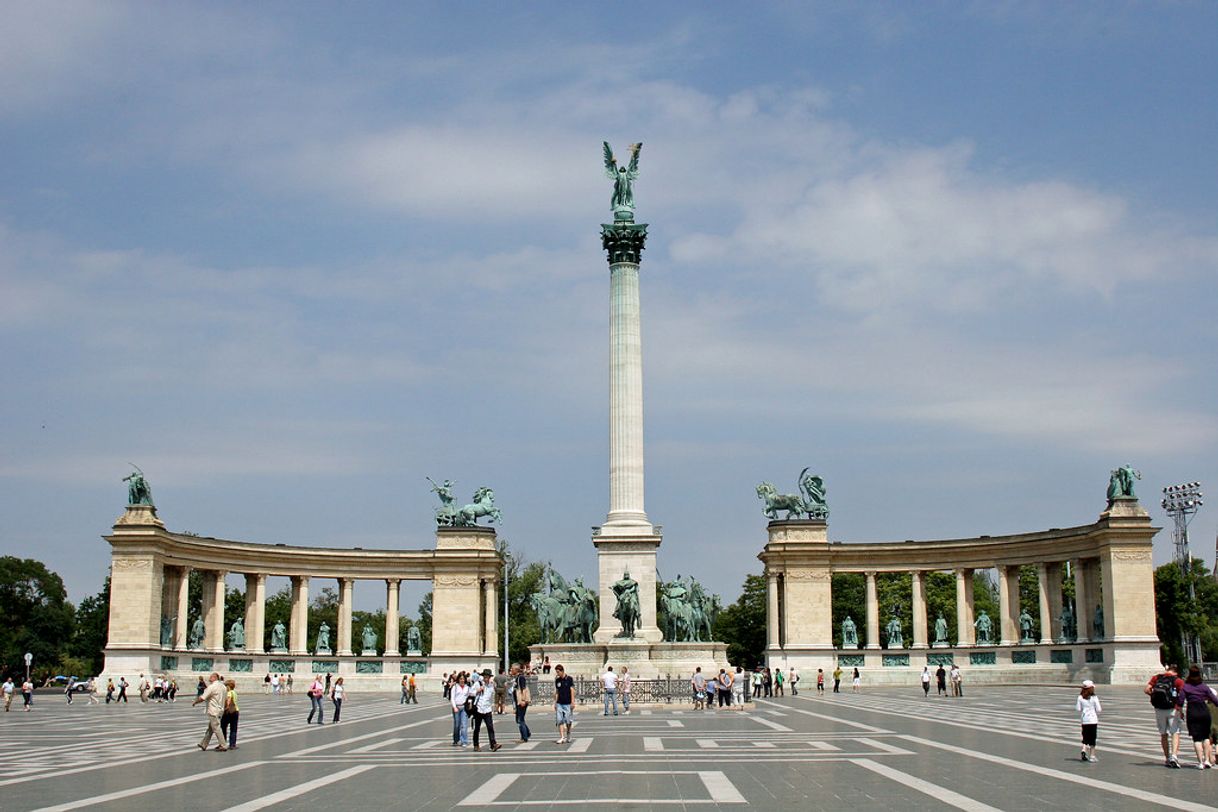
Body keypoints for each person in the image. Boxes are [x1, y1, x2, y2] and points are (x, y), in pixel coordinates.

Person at [1146, 663, 1185, 768]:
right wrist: (1180, 708)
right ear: (1177, 672)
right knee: (1175, 733)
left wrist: (1153, 695)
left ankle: (1167, 758)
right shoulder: (1178, 680)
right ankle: (1174, 756)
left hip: (1159, 709)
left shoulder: (1157, 677)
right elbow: (1182, 695)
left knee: (1163, 734)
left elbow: (1146, 689)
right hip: (1172, 709)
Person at [1181, 665, 1218, 769]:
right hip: (1204, 712)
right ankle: (1207, 760)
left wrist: (1180, 711)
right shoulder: (1204, 686)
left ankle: (1200, 762)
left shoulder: (1186, 687)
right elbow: (1215, 700)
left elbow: (1180, 700)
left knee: (1196, 739)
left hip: (1192, 713)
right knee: (1206, 737)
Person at [192, 672, 228, 751]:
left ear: (214, 678)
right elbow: (226, 699)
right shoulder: (223, 687)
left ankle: (223, 745)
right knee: (211, 728)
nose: (209, 678)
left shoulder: (212, 687)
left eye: (211, 677)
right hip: (220, 709)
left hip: (213, 709)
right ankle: (203, 744)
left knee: (216, 728)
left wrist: (195, 702)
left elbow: (203, 698)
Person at [472, 669, 501, 751]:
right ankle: (476, 745)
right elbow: (470, 692)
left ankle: (493, 744)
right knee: (477, 728)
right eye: (485, 677)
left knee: (490, 727)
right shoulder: (478, 683)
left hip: (487, 709)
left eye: (487, 677)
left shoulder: (491, 685)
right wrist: (478, 690)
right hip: (479, 708)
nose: (486, 678)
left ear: (489, 677)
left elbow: (492, 696)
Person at [1077, 679, 1102, 763]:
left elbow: (1078, 708)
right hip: (1093, 720)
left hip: (1084, 719)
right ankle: (1092, 756)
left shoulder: (1080, 697)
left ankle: (1084, 749)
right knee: (1092, 738)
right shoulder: (1094, 697)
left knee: (1085, 736)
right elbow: (1099, 709)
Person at [553, 664, 575, 744]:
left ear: (562, 671)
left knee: (568, 721)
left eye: (558, 672)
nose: (557, 673)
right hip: (560, 703)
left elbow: (572, 690)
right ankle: (562, 737)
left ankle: (568, 732)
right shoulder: (557, 680)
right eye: (556, 672)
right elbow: (557, 692)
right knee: (559, 720)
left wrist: (573, 701)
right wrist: (555, 702)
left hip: (568, 703)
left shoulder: (569, 679)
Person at [511, 663, 531, 742]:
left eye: (512, 669)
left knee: (520, 719)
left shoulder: (521, 678)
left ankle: (524, 737)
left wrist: (523, 700)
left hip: (521, 701)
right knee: (519, 719)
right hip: (518, 701)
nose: (511, 670)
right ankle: (527, 732)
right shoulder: (517, 678)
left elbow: (523, 689)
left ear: (516, 670)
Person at [450, 672, 470, 747]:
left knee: (464, 725)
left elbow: (471, 694)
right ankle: (456, 739)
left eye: (463, 679)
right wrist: (454, 707)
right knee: (457, 725)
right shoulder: (455, 687)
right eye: (461, 679)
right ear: (458, 679)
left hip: (464, 708)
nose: (462, 680)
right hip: (456, 707)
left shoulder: (467, 687)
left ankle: (464, 741)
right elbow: (452, 698)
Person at [220, 679, 240, 750]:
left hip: (228, 712)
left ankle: (223, 743)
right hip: (235, 711)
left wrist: (225, 707)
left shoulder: (228, 693)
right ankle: (232, 744)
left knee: (223, 728)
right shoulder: (234, 692)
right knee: (233, 729)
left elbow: (228, 701)